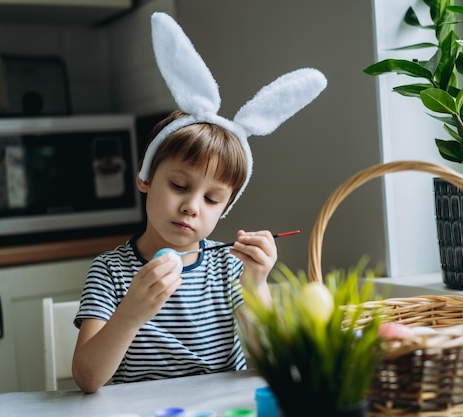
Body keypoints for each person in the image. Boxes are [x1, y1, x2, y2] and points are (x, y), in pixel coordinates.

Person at [72, 12, 326, 393]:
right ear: (144, 177)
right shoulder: (110, 273)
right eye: (178, 185)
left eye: (211, 199)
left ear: (225, 210)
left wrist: (256, 285)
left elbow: (272, 365)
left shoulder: (229, 268)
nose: (192, 206)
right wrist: (131, 314)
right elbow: (89, 378)